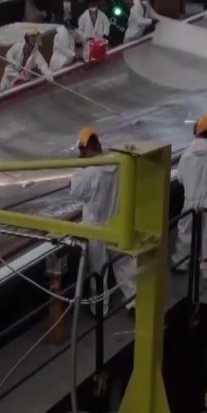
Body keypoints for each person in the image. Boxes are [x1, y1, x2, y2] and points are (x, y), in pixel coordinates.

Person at [70, 127, 137, 312]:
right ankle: (134, 301)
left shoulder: (90, 172)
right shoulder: (116, 163)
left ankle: (100, 307)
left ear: (85, 148)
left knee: (98, 269)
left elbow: (75, 191)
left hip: (95, 226)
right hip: (116, 221)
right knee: (124, 263)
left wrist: (79, 167)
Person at [173, 115, 207, 280]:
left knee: (185, 232)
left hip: (191, 200)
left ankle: (181, 262)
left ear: (195, 132)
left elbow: (180, 178)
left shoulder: (187, 153)